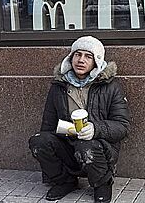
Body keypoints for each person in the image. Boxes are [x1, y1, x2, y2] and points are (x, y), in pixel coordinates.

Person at [29, 36, 130, 202]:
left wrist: (95, 129)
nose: (81, 60)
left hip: (98, 147)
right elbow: (48, 125)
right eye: (77, 55)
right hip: (68, 143)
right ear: (71, 58)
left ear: (96, 61)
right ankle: (64, 181)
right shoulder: (59, 86)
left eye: (88, 56)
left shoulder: (110, 87)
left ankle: (102, 183)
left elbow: (122, 126)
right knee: (39, 141)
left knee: (86, 144)